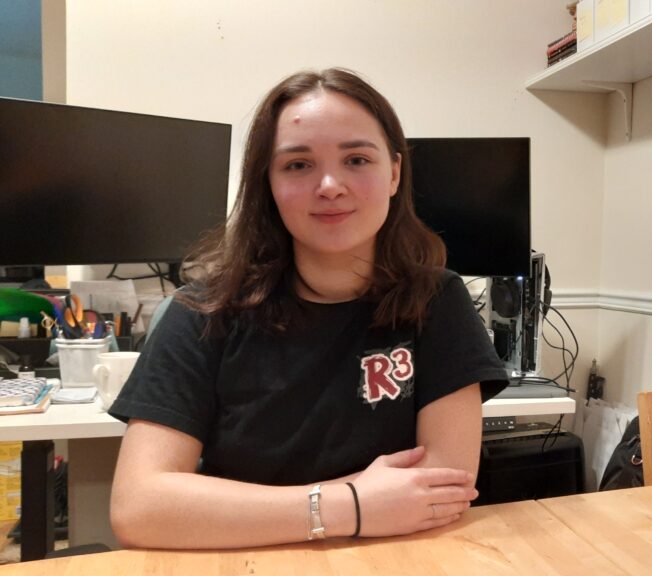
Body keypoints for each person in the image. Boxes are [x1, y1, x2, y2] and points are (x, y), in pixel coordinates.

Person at [107, 68, 509, 549]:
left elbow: (440, 492)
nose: (330, 185)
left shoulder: (438, 300)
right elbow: (138, 506)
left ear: (395, 173)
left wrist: (249, 509)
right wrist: (349, 503)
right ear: (268, 184)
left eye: (357, 158)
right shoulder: (202, 310)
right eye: (298, 165)